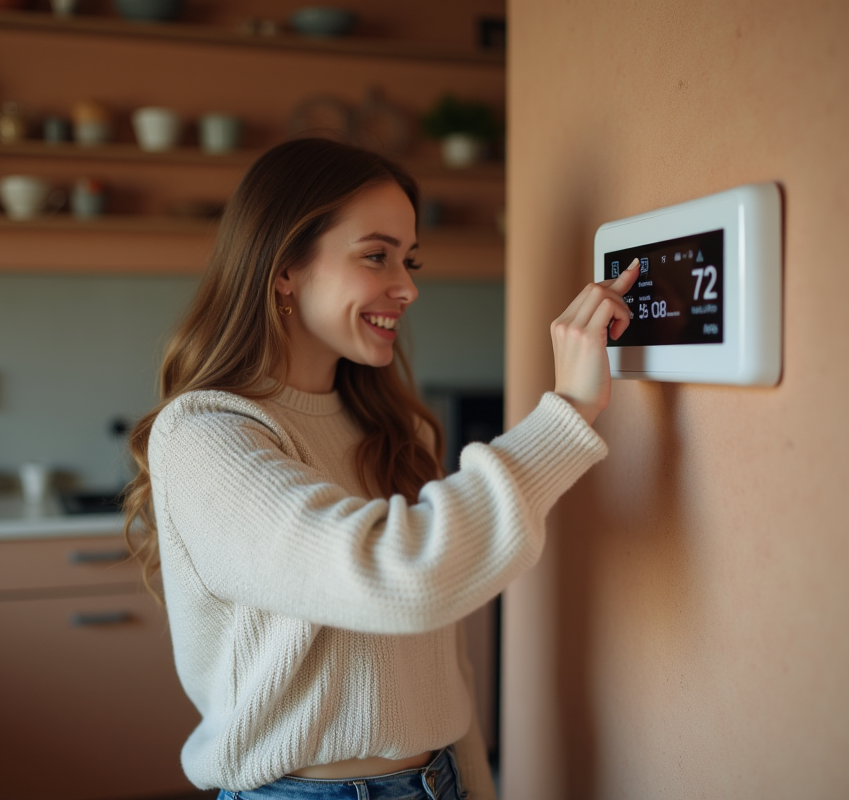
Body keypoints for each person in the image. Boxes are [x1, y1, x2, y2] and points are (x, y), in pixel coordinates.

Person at [123, 137, 639, 800]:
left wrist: (475, 786)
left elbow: (439, 662)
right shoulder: (204, 437)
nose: (408, 287)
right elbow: (403, 575)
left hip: (438, 781)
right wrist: (567, 412)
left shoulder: (395, 431)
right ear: (284, 268)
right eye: (377, 256)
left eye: (409, 259)